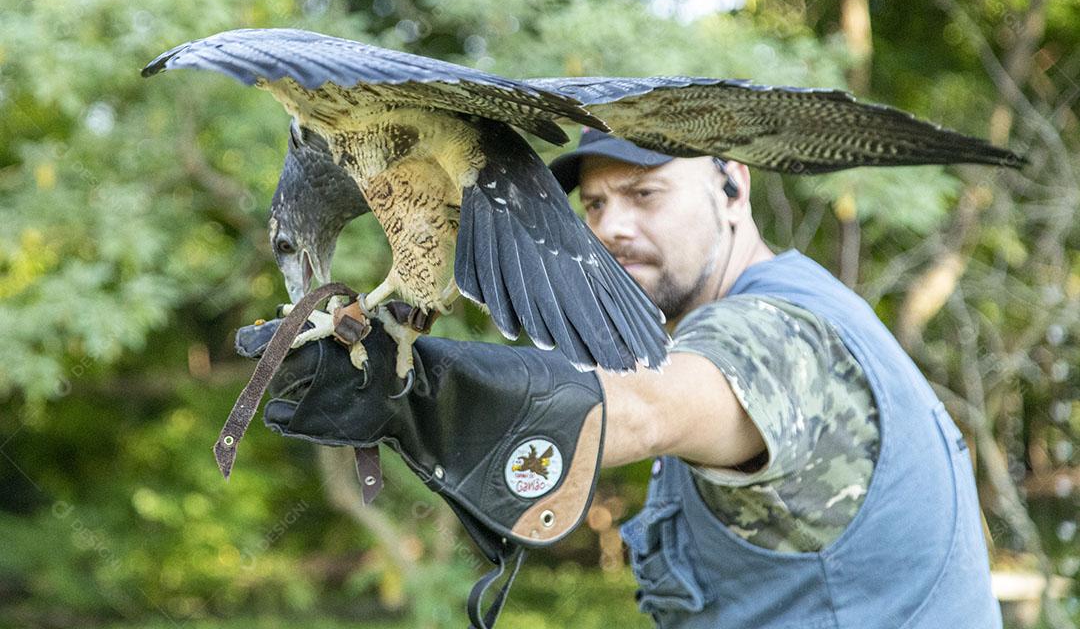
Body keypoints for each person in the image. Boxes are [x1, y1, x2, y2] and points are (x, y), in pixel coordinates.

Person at [237, 129, 1002, 628]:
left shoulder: (778, 333)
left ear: (732, 185)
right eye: (594, 203)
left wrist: (413, 390)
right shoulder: (813, 305)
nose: (611, 227)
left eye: (645, 194)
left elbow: (642, 412)